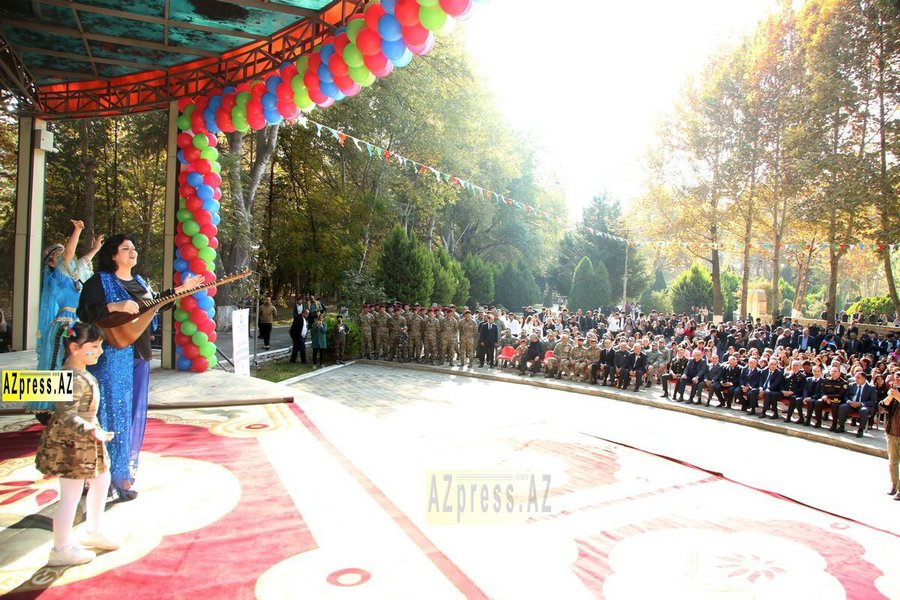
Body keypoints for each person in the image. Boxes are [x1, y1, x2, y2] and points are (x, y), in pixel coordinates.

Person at [77, 234, 204, 500]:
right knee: (112, 414)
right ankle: (103, 476)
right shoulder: (100, 281)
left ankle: (122, 473)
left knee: (132, 413)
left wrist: (181, 290)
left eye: (133, 248)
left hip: (140, 354)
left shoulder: (139, 282)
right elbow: (85, 312)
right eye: (126, 248)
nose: (132, 252)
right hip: (112, 357)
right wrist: (114, 305)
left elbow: (154, 304)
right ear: (113, 255)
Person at [34, 322, 120, 566]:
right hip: (71, 444)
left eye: (100, 345)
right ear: (74, 348)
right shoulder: (69, 377)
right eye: (94, 346)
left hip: (88, 439)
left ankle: (94, 530)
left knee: (101, 480)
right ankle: (60, 548)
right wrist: (91, 430)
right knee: (70, 495)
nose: (100, 351)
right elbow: (65, 414)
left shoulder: (81, 372)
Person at [32, 221, 103, 419]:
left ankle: (73, 402)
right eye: (58, 256)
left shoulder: (75, 277)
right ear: (51, 263)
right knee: (57, 361)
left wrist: (95, 249)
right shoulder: (58, 277)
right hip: (65, 322)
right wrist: (77, 230)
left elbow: (83, 260)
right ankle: (49, 408)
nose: (65, 257)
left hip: (78, 322)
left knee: (77, 362)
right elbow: (69, 254)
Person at [836, 371, 877, 438]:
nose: (856, 379)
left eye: (858, 378)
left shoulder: (871, 388)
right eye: (855, 377)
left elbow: (872, 401)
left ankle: (860, 430)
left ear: (864, 379)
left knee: (864, 410)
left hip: (863, 405)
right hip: (851, 404)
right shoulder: (852, 385)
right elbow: (846, 396)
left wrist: (861, 404)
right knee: (842, 407)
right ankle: (841, 426)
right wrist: (849, 402)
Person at [881, 378, 900, 500]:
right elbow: (882, 406)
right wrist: (889, 398)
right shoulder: (894, 391)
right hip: (892, 432)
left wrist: (898, 397)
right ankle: (894, 485)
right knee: (893, 462)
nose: (897, 379)